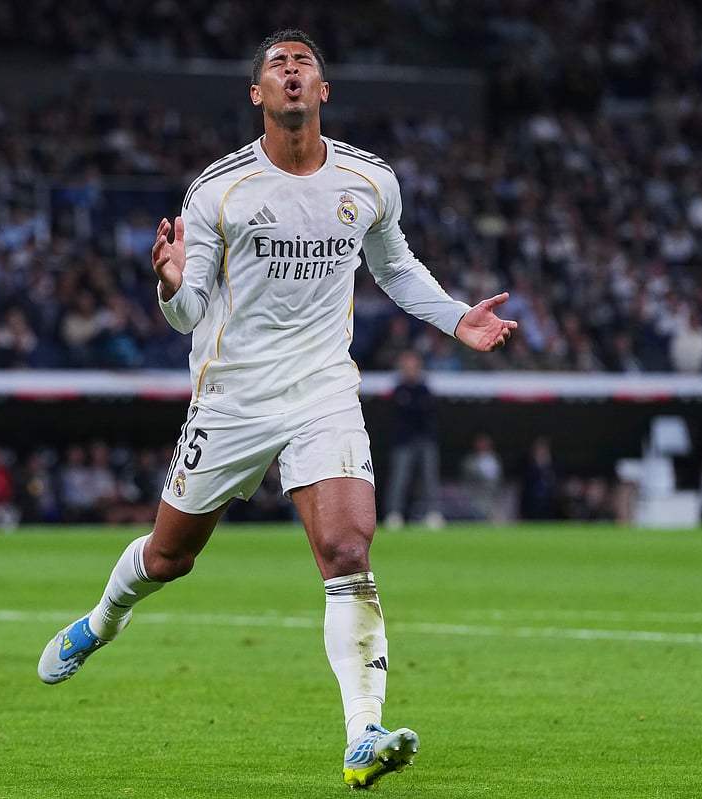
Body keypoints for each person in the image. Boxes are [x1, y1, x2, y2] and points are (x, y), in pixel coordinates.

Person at [36, 29, 517, 790]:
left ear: (323, 91)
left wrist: (458, 318)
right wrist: (166, 283)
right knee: (170, 557)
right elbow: (190, 312)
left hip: (323, 388)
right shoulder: (219, 189)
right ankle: (102, 620)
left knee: (348, 550)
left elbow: (394, 267)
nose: (292, 73)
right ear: (256, 94)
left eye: (305, 65)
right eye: (277, 67)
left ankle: (363, 732)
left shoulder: (371, 180)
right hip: (233, 396)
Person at [382, 349, 444, 530]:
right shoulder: (398, 390)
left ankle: (432, 514)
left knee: (430, 479)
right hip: (403, 442)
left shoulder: (425, 389)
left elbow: (429, 411)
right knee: (399, 479)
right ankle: (394, 514)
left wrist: (413, 405)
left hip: (426, 440)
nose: (410, 370)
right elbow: (404, 411)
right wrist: (416, 406)